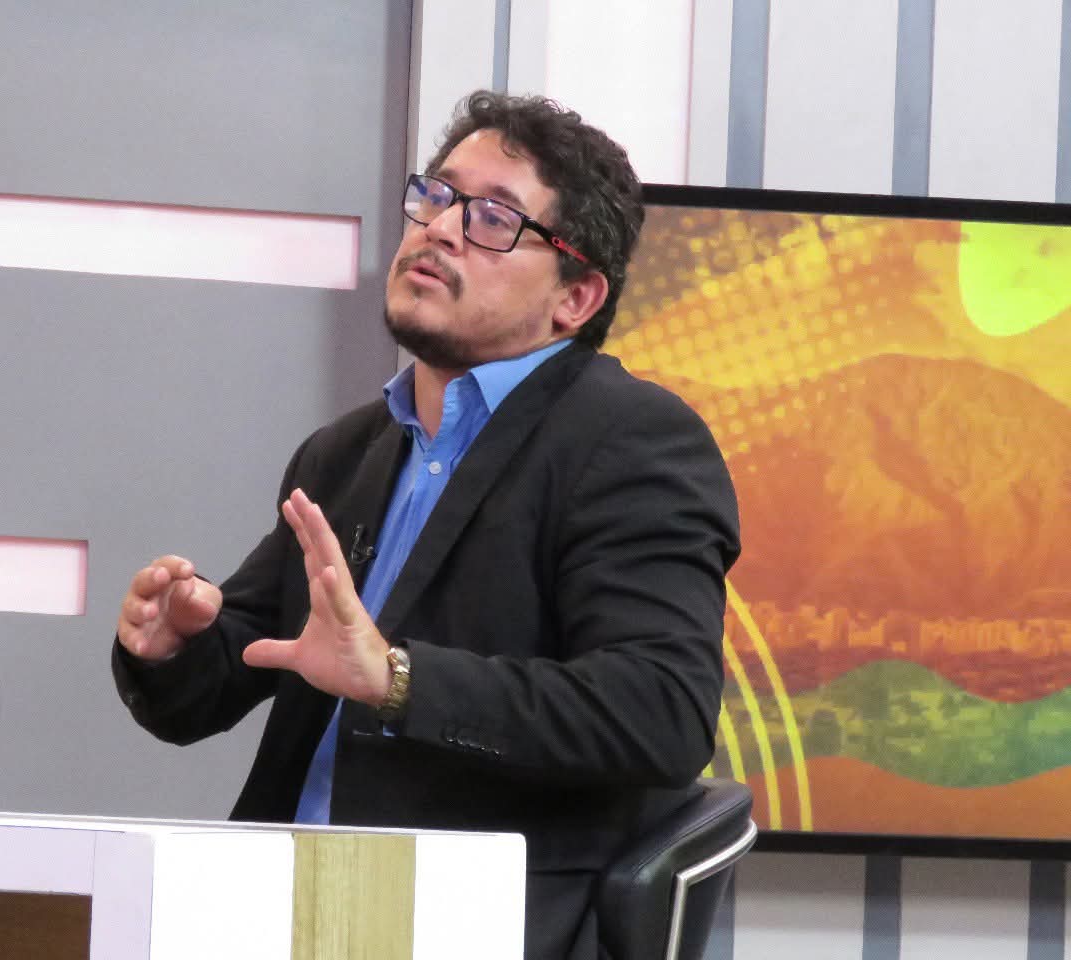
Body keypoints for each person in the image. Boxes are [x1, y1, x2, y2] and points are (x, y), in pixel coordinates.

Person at [113, 90, 739, 960]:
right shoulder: (346, 452)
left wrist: (398, 680)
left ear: (576, 297)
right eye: (437, 196)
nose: (441, 229)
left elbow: (660, 711)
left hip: (475, 926)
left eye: (494, 220)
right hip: (279, 913)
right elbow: (235, 673)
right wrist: (177, 644)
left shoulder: (631, 441)